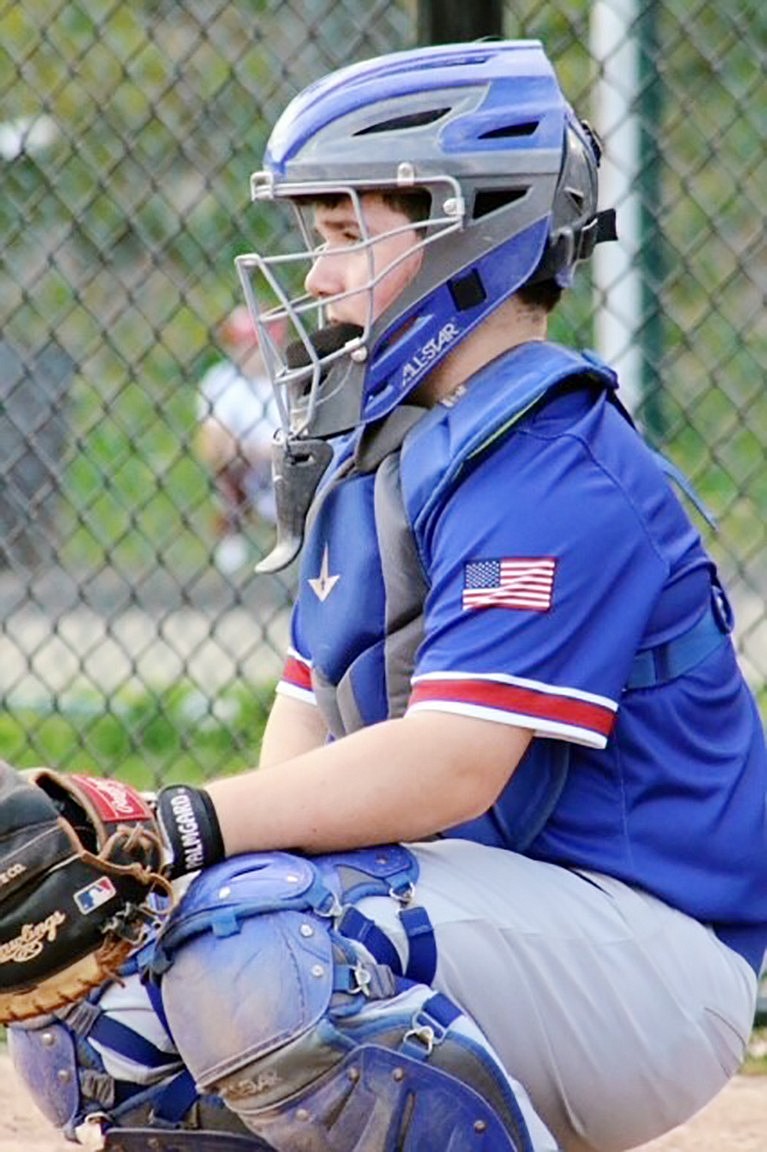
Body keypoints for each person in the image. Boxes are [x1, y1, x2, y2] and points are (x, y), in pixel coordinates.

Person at [10, 39, 767, 1152]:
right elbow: (299, 761)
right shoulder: (379, 455)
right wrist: (155, 877)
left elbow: (450, 765)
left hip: (649, 953)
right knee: (109, 1007)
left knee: (261, 946)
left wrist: (172, 826)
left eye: (343, 235)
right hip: (481, 921)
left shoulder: (553, 465)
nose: (314, 278)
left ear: (470, 231)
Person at [196, 306, 283, 573]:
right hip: (245, 472)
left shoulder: (290, 378)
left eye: (252, 345)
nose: (244, 352)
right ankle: (234, 534)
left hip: (286, 470)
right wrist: (261, 449)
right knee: (229, 465)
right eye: (239, 344)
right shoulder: (221, 380)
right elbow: (213, 446)